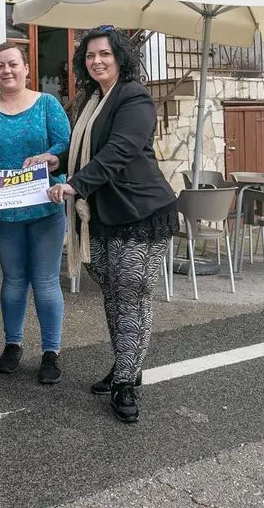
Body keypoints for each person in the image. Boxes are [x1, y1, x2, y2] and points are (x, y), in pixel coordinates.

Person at [48, 26, 177, 423]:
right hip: (104, 215)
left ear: (120, 57)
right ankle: (126, 364)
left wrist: (74, 184)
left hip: (140, 212)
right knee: (111, 291)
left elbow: (119, 150)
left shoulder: (134, 97)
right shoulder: (92, 99)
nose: (97, 61)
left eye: (104, 54)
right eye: (89, 56)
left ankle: (126, 384)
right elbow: (85, 143)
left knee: (131, 295)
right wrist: (57, 160)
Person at [0, 42, 71, 384]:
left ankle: (51, 352)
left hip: (44, 206)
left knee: (46, 281)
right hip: (5, 210)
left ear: (26, 68)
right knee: (12, 281)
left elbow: (66, 146)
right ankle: (13, 345)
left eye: (12, 64)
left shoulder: (47, 105)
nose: (6, 71)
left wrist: (50, 158)